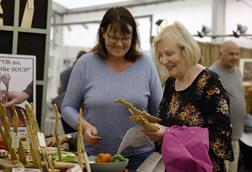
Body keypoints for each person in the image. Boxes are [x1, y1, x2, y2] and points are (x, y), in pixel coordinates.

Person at [61, 7, 163, 171]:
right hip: (97, 159)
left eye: (125, 38)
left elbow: (159, 111)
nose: (119, 43)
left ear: (133, 36)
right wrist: (84, 126)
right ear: (103, 33)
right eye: (114, 37)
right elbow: (67, 107)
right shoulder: (85, 64)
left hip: (139, 159)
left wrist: (153, 129)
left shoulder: (146, 64)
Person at [144, 21, 233, 172]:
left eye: (169, 54)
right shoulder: (171, 83)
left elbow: (221, 141)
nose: (163, 61)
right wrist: (154, 128)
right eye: (160, 55)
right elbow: (167, 125)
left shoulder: (210, 83)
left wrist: (169, 134)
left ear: (186, 50)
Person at [209, 41, 246, 172]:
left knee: (233, 168)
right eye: (231, 54)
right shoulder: (212, 74)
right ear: (220, 54)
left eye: (237, 54)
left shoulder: (237, 72)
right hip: (220, 136)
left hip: (235, 134)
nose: (235, 57)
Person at [52, 50, 87, 135]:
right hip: (79, 110)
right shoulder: (84, 72)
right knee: (79, 137)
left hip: (65, 108)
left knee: (70, 136)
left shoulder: (64, 73)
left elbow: (61, 90)